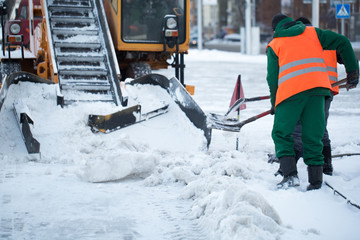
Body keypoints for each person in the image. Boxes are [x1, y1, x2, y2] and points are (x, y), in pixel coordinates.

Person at [266, 13, 359, 190]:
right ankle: (316, 182)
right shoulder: (313, 33)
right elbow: (343, 42)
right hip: (318, 91)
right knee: (313, 136)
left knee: (281, 134)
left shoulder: (275, 44)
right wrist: (353, 72)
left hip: (290, 93)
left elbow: (272, 79)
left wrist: (275, 103)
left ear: (275, 30)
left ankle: (290, 175)